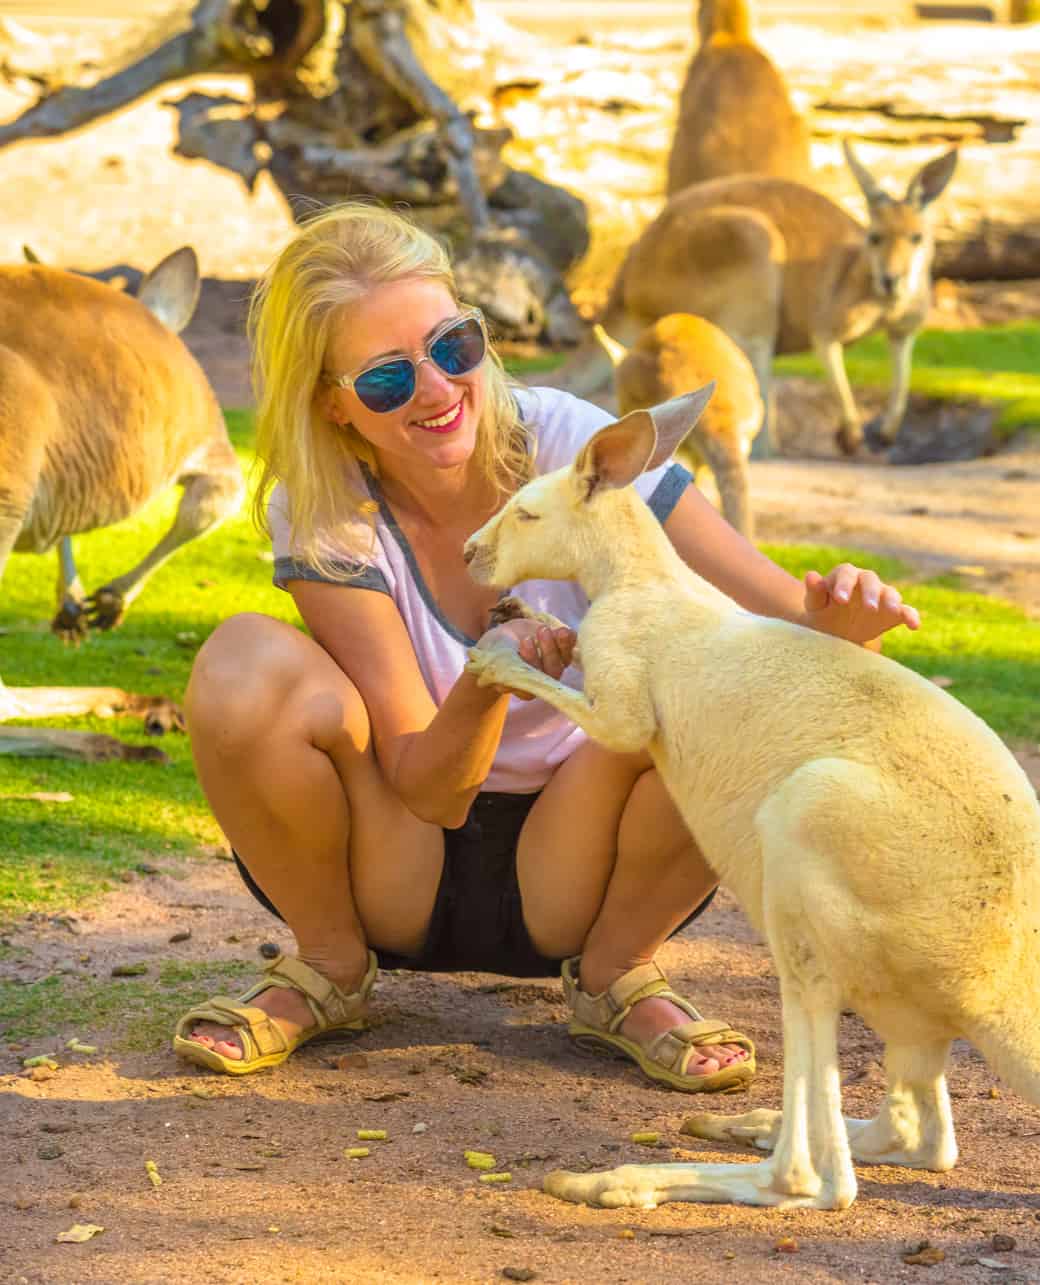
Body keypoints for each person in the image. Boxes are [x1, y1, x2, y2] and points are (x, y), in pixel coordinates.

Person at [172, 203, 919, 1090]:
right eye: (384, 382)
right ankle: (328, 964)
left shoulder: (573, 444)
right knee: (242, 663)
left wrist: (842, 625)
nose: (438, 390)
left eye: (454, 347)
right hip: (397, 852)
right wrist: (493, 678)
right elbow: (430, 790)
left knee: (736, 682)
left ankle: (618, 971)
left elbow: (782, 615)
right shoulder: (329, 505)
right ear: (334, 405)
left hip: (582, 853)